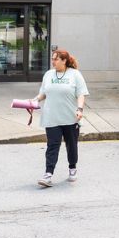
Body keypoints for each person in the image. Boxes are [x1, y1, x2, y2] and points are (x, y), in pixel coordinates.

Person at [33, 49, 88, 188]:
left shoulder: (75, 74)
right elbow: (43, 93)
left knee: (71, 145)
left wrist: (80, 109)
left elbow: (81, 94)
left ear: (64, 60)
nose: (53, 61)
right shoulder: (48, 74)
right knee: (52, 146)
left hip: (70, 118)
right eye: (52, 59)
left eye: (55, 59)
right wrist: (35, 100)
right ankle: (48, 174)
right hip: (51, 117)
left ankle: (72, 168)